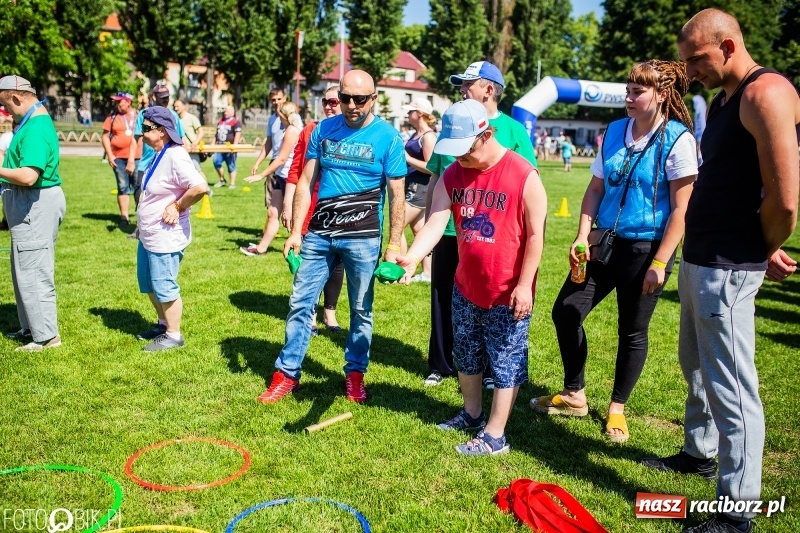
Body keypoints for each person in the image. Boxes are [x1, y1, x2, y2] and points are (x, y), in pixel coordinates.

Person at [641, 10, 799, 533]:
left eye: (695, 59)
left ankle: (737, 511)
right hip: (701, 257)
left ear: (728, 46)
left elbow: (786, 200)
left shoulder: (766, 93)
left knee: (732, 387)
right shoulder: (726, 100)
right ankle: (699, 452)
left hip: (728, 266)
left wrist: (760, 247)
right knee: (697, 368)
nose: (688, 72)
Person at [532, 60, 697, 444]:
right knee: (566, 310)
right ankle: (574, 394)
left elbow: (681, 209)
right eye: (628, 90)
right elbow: (595, 189)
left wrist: (661, 261)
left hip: (647, 250)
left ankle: (617, 408)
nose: (629, 97)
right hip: (603, 242)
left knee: (632, 330)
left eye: (638, 91)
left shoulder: (678, 139)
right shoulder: (614, 131)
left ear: (661, 95)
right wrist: (581, 235)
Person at [397, 99, 546, 455]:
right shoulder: (453, 174)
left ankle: (495, 435)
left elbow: (536, 236)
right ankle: (472, 413)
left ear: (487, 134)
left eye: (465, 149)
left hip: (508, 291)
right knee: (465, 355)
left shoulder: (523, 175)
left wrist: (524, 286)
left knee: (505, 361)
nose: (459, 157)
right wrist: (413, 257)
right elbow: (436, 222)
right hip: (466, 287)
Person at [257, 70, 406, 404]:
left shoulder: (388, 137)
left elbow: (398, 196)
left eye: (360, 99)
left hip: (363, 238)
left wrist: (394, 246)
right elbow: (306, 181)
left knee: (360, 310)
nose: (351, 105)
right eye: (345, 98)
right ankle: (286, 374)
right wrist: (296, 231)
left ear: (373, 98)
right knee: (300, 304)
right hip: (319, 235)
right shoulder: (323, 130)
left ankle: (355, 375)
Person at [423, 60, 537, 388]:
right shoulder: (452, 124)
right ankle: (442, 364)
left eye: (467, 83)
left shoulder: (513, 130)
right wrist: (426, 229)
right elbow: (436, 178)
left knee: (492, 304)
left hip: (493, 234)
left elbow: (527, 185)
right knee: (446, 298)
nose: (461, 89)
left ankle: (490, 370)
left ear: (488, 89)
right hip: (449, 229)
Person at [0, 75, 67, 351]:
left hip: (34, 205)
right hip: (28, 205)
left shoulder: (35, 129)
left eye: (6, 105)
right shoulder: (32, 123)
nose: (6, 112)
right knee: (24, 269)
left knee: (34, 270)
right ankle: (31, 327)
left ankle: (47, 337)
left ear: (16, 97)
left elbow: (29, 176)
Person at [133, 107, 209, 351]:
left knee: (164, 285)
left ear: (162, 131)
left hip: (165, 236)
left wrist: (177, 206)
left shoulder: (176, 155)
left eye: (146, 128)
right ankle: (163, 324)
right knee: (148, 283)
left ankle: (174, 335)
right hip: (149, 234)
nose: (142, 132)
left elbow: (200, 187)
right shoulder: (160, 153)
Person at [281, 86, 345, 333]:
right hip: (310, 206)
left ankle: (330, 314)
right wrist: (288, 205)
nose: (329, 106)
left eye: (334, 101)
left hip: (340, 210)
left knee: (337, 263)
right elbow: (295, 171)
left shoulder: (354, 132)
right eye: (325, 102)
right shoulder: (310, 130)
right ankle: (310, 315)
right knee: (311, 262)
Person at [241, 101, 303, 255]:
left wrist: (262, 174)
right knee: (273, 213)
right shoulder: (288, 129)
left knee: (291, 217)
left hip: (289, 179)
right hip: (280, 176)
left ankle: (300, 251)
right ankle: (261, 248)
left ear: (283, 116)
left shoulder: (292, 131)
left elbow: (281, 159)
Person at [129, 84, 185, 217]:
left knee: (164, 194)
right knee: (140, 192)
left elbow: (181, 139)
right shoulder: (144, 114)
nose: (165, 100)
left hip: (167, 162)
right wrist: (131, 160)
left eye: (167, 97)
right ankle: (141, 222)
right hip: (146, 162)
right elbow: (135, 139)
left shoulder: (173, 115)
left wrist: (183, 159)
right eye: (162, 97)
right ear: (154, 97)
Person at [400, 97, 437, 282]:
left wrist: (407, 158)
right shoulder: (416, 134)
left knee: (397, 226)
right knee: (419, 231)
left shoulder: (428, 137)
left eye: (410, 111)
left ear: (420, 114)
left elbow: (431, 167)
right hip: (413, 186)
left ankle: (399, 270)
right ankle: (428, 273)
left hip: (420, 188)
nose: (407, 114)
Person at [250, 88, 288, 250]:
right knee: (271, 206)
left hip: (289, 167)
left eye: (279, 99)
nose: (276, 102)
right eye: (273, 100)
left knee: (290, 208)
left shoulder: (293, 119)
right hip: (274, 164)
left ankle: (297, 241)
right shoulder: (272, 119)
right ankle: (264, 242)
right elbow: (269, 143)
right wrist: (258, 162)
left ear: (285, 98)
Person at [102, 92, 141, 227]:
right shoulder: (112, 117)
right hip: (118, 158)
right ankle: (124, 218)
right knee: (123, 186)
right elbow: (105, 136)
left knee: (138, 187)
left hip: (137, 158)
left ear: (128, 102)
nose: (117, 104)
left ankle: (141, 218)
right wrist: (110, 155)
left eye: (120, 101)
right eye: (116, 102)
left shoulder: (139, 115)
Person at [212, 105, 242, 188]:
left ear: (232, 112)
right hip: (219, 147)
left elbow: (237, 134)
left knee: (231, 165)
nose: (225, 113)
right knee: (216, 162)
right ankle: (222, 180)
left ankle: (232, 184)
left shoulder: (235, 122)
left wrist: (234, 146)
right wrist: (212, 145)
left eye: (227, 111)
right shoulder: (220, 121)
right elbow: (216, 134)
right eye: (225, 111)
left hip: (229, 147)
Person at [173, 99, 205, 175]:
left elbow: (201, 132)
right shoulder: (175, 119)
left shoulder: (191, 118)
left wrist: (195, 142)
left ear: (184, 106)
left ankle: (205, 184)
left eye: (177, 106)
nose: (175, 108)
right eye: (174, 106)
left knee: (197, 171)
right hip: (180, 150)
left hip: (192, 149)